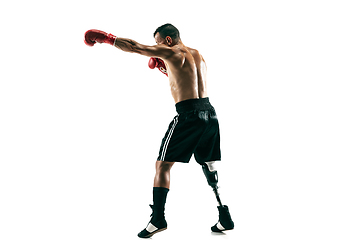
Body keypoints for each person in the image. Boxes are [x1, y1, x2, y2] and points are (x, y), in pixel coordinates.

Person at [84, 23, 234, 238]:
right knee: (208, 165)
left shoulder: (169, 50)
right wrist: (168, 71)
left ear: (168, 40)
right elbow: (190, 82)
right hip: (210, 114)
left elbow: (135, 46)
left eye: (158, 42)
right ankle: (225, 217)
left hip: (189, 114)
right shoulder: (197, 55)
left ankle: (158, 219)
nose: (157, 47)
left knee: (162, 165)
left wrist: (107, 38)